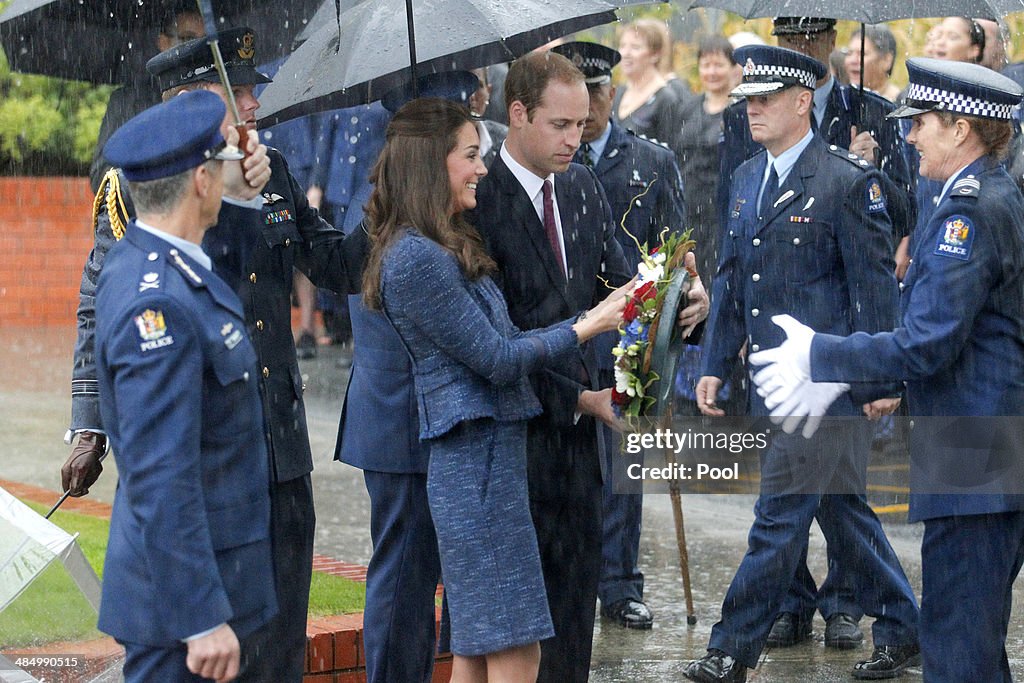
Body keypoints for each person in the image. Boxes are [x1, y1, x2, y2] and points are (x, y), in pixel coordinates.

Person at [65, 27, 354, 682]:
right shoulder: (155, 192)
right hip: (209, 468)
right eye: (240, 92)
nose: (254, 105)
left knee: (277, 648)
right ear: (193, 107)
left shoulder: (267, 166)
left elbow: (332, 260)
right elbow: (123, 298)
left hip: (275, 448)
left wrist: (401, 195)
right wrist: (90, 422)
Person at [748, 57, 1024, 683]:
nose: (909, 135)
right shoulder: (975, 195)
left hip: (973, 452)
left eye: (921, 122)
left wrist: (820, 354)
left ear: (960, 128)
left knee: (958, 645)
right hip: (982, 448)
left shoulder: (970, 213)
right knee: (973, 639)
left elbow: (927, 342)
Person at [363, 95, 629, 681]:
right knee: (514, 652)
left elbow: (503, 345)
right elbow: (499, 358)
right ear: (430, 164)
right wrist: (590, 322)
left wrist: (583, 397)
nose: (481, 167)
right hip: (474, 470)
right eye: (468, 155)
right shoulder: (416, 259)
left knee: (480, 652)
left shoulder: (442, 244)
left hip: (488, 464)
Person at [470, 49, 708, 683]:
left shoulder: (578, 186)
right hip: (508, 437)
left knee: (575, 610)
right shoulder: (477, 199)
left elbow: (614, 282)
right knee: (511, 627)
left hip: (578, 444)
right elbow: (496, 335)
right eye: (560, 125)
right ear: (516, 115)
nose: (576, 139)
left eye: (582, 124)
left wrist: (681, 300)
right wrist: (576, 397)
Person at [684, 46, 920, 683]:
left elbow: (873, 289)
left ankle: (730, 649)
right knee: (842, 513)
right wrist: (715, 361)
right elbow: (734, 280)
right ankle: (904, 624)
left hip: (826, 387)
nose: (752, 110)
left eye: (764, 99)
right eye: (747, 100)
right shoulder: (745, 178)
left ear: (801, 101)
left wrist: (878, 382)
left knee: (778, 517)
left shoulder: (846, 181)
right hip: (769, 382)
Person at [94, 90, 276, 683]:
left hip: (210, 586)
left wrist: (247, 196)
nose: (229, 171)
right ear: (201, 180)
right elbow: (160, 472)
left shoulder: (155, 260)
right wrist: (200, 618)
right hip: (185, 612)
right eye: (220, 164)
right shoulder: (160, 303)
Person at [333, 70, 485, 683]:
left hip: (416, 415)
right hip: (402, 420)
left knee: (420, 577)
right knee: (404, 578)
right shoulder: (393, 205)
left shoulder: (418, 200)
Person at [552, 40, 687, 632]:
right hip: (564, 327)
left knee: (624, 461)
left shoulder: (651, 161)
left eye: (597, 92)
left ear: (611, 93)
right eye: (578, 95)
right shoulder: (552, 158)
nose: (590, 106)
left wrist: (678, 308)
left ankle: (620, 582)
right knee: (565, 459)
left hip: (629, 330)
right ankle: (571, 573)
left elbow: (676, 248)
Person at [88, 3, 204, 192]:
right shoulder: (128, 101)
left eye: (204, 41)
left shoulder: (222, 93)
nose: (198, 49)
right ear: (163, 42)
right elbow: (104, 178)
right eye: (188, 39)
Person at [673, 34, 741, 281]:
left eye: (719, 65)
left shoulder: (739, 111)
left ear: (734, 69)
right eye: (706, 65)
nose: (712, 72)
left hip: (720, 210)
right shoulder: (687, 108)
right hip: (687, 208)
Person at [614, 19, 681, 146]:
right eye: (622, 46)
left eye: (635, 47)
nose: (626, 53)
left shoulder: (666, 99)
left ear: (655, 54)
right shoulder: (618, 92)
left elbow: (670, 152)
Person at [844, 25, 901, 102]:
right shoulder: (842, 101)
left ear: (886, 60)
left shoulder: (899, 106)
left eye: (862, 54)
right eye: (849, 53)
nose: (852, 60)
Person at [469, 66, 509, 167]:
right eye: (465, 87)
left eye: (478, 86)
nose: (472, 96)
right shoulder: (439, 144)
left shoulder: (505, 141)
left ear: (489, 91)